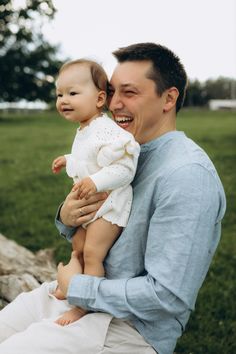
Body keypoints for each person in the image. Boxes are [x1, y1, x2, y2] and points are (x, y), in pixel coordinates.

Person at [0, 43, 226, 354]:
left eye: (129, 93)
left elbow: (167, 297)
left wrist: (77, 288)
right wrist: (66, 218)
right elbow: (97, 221)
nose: (114, 103)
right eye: (112, 91)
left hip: (125, 329)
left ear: (169, 98)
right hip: (69, 296)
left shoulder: (188, 175)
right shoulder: (119, 148)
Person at [51, 58, 140, 325]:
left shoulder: (107, 130)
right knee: (77, 246)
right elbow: (92, 157)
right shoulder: (87, 128)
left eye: (73, 93)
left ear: (100, 98)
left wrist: (96, 182)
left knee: (92, 253)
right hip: (95, 204)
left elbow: (124, 167)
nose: (63, 99)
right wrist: (69, 159)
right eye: (59, 94)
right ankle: (70, 286)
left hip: (111, 206)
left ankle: (84, 305)